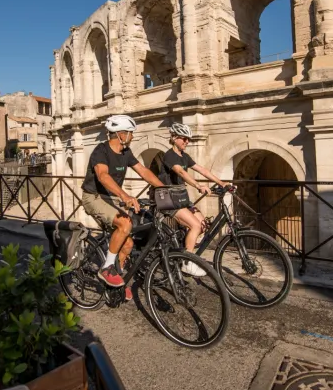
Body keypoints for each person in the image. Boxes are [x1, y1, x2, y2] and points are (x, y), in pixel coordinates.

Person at [81, 114, 165, 299]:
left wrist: (164, 188)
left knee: (128, 243)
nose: (132, 136)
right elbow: (103, 176)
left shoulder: (126, 153)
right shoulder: (100, 151)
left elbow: (143, 171)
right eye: (130, 133)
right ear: (121, 134)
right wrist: (124, 195)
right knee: (125, 224)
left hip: (110, 197)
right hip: (93, 196)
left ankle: (115, 278)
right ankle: (107, 268)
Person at [160, 122, 230, 277]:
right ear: (174, 138)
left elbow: (202, 170)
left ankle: (183, 251)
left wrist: (222, 183)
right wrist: (199, 186)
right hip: (169, 200)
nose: (187, 142)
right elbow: (181, 173)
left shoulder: (184, 156)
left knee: (203, 225)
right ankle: (187, 262)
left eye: (188, 140)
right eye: (183, 139)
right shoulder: (169, 156)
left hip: (181, 199)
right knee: (195, 226)